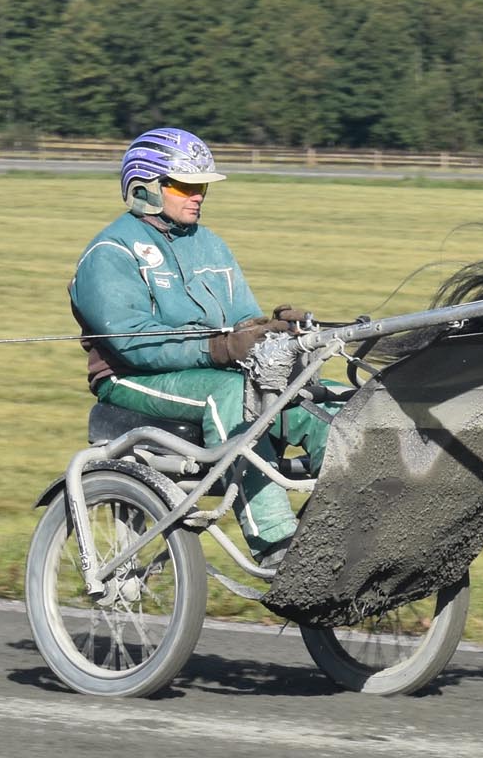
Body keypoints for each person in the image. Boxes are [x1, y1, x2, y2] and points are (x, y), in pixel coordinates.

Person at [69, 128, 328, 564]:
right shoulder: (109, 252)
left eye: (202, 186)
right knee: (229, 393)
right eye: (186, 185)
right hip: (131, 379)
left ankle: (351, 523)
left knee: (316, 394)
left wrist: (275, 331)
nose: (199, 196)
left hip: (210, 369)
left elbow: (243, 321)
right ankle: (276, 545)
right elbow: (136, 347)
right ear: (145, 188)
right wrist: (222, 350)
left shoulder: (210, 243)